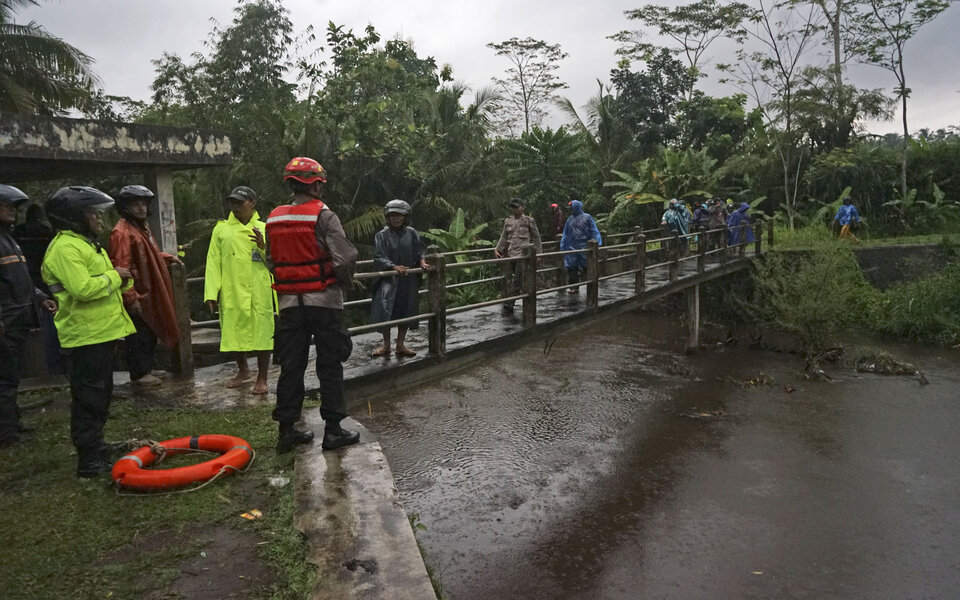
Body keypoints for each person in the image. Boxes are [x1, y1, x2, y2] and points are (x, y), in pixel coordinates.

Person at [266, 157, 359, 453]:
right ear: (315, 183)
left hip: (289, 303)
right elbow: (344, 258)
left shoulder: (274, 217)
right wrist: (344, 283)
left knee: (291, 365)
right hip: (324, 301)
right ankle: (333, 430)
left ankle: (286, 430)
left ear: (292, 183)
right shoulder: (324, 215)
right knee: (329, 364)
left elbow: (271, 259)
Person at [42, 186, 135, 477]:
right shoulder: (65, 248)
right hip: (84, 336)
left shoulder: (85, 244)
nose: (98, 218)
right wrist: (114, 275)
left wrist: (122, 281)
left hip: (101, 333)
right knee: (89, 398)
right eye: (92, 213)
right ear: (73, 217)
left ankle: (96, 446)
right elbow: (83, 289)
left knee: (100, 394)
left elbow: (105, 284)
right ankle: (89, 459)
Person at [0, 185, 57, 446]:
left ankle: (12, 422)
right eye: (6, 206)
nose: (12, 210)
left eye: (14, 207)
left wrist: (40, 297)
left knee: (12, 377)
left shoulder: (10, 239)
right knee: (4, 379)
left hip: (18, 320)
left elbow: (20, 280)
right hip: (7, 322)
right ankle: (6, 434)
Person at [108, 185, 182, 386]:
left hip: (149, 290)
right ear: (126, 207)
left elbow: (146, 254)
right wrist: (130, 297)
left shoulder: (140, 227)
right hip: (139, 291)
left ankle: (146, 369)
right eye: (136, 204)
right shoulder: (122, 232)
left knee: (149, 332)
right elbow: (121, 266)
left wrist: (166, 257)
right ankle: (140, 374)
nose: (141, 208)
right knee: (139, 334)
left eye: (143, 204)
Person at [204, 186, 274, 395]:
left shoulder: (264, 228)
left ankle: (262, 377)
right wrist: (211, 292)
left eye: (240, 203)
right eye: (232, 203)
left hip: (258, 289)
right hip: (231, 287)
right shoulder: (222, 229)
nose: (235, 207)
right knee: (233, 330)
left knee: (262, 332)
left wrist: (263, 246)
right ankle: (243, 370)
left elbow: (276, 260)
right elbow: (213, 261)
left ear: (252, 203)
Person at [369, 199, 430, 358]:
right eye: (392, 215)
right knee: (386, 311)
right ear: (388, 218)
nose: (396, 218)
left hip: (408, 279)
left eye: (399, 215)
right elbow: (379, 256)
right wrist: (393, 266)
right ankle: (386, 345)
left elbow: (419, 251)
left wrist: (422, 261)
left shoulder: (412, 233)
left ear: (405, 217)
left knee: (406, 311)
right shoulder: (381, 235)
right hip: (389, 279)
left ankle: (400, 344)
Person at [494, 198, 542, 314]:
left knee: (517, 280)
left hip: (523, 256)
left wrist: (539, 254)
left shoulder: (529, 221)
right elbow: (504, 236)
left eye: (516, 207)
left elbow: (536, 238)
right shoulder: (508, 221)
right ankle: (527, 297)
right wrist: (497, 249)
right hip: (511, 254)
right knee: (516, 279)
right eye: (512, 207)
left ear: (522, 207)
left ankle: (509, 304)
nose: (514, 209)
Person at [559, 200, 602, 294]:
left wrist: (597, 242)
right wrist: (562, 244)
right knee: (572, 267)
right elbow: (565, 233)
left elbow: (594, 230)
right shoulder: (570, 219)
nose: (571, 210)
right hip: (572, 246)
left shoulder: (587, 217)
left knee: (587, 266)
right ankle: (573, 287)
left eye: (572, 208)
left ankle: (592, 284)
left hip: (585, 246)